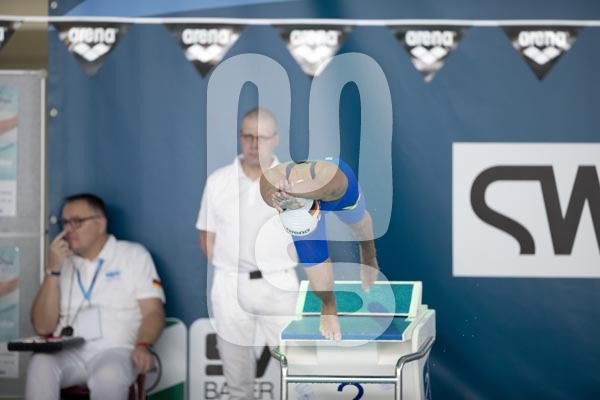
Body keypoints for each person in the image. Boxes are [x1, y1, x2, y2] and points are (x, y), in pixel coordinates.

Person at [197, 108, 299, 400]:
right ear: (240, 137)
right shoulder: (218, 181)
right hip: (230, 283)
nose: (255, 145)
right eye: (249, 137)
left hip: (280, 283)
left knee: (293, 370)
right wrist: (230, 266)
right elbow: (206, 234)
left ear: (275, 139)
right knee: (236, 376)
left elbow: (308, 236)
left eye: (263, 137)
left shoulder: (294, 182)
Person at [25, 193, 166, 400]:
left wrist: (143, 345)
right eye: (65, 223)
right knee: (40, 362)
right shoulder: (61, 262)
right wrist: (52, 271)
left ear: (100, 224)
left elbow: (153, 312)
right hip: (70, 351)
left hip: (116, 349)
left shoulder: (133, 255)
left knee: (108, 375)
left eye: (77, 222)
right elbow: (43, 327)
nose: (68, 230)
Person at [260, 157, 380, 341]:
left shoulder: (336, 184)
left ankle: (369, 257)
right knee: (320, 283)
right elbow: (270, 191)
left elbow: (362, 224)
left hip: (336, 192)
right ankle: (329, 305)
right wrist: (279, 196)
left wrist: (369, 256)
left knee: (360, 224)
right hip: (294, 202)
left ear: (315, 213)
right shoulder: (272, 184)